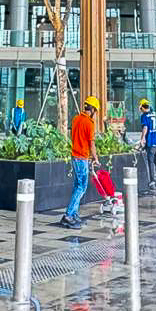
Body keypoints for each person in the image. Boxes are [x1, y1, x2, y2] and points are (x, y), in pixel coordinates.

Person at [61, 96, 101, 229]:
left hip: (75, 156)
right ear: (93, 109)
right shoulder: (89, 123)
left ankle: (73, 213)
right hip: (81, 158)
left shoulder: (76, 119)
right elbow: (91, 143)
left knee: (77, 186)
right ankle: (68, 216)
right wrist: (95, 158)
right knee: (81, 187)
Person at [137, 98, 156, 192]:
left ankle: (152, 182)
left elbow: (145, 127)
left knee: (151, 162)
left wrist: (142, 138)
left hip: (151, 142)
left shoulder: (144, 116)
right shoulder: (155, 114)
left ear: (142, 107)